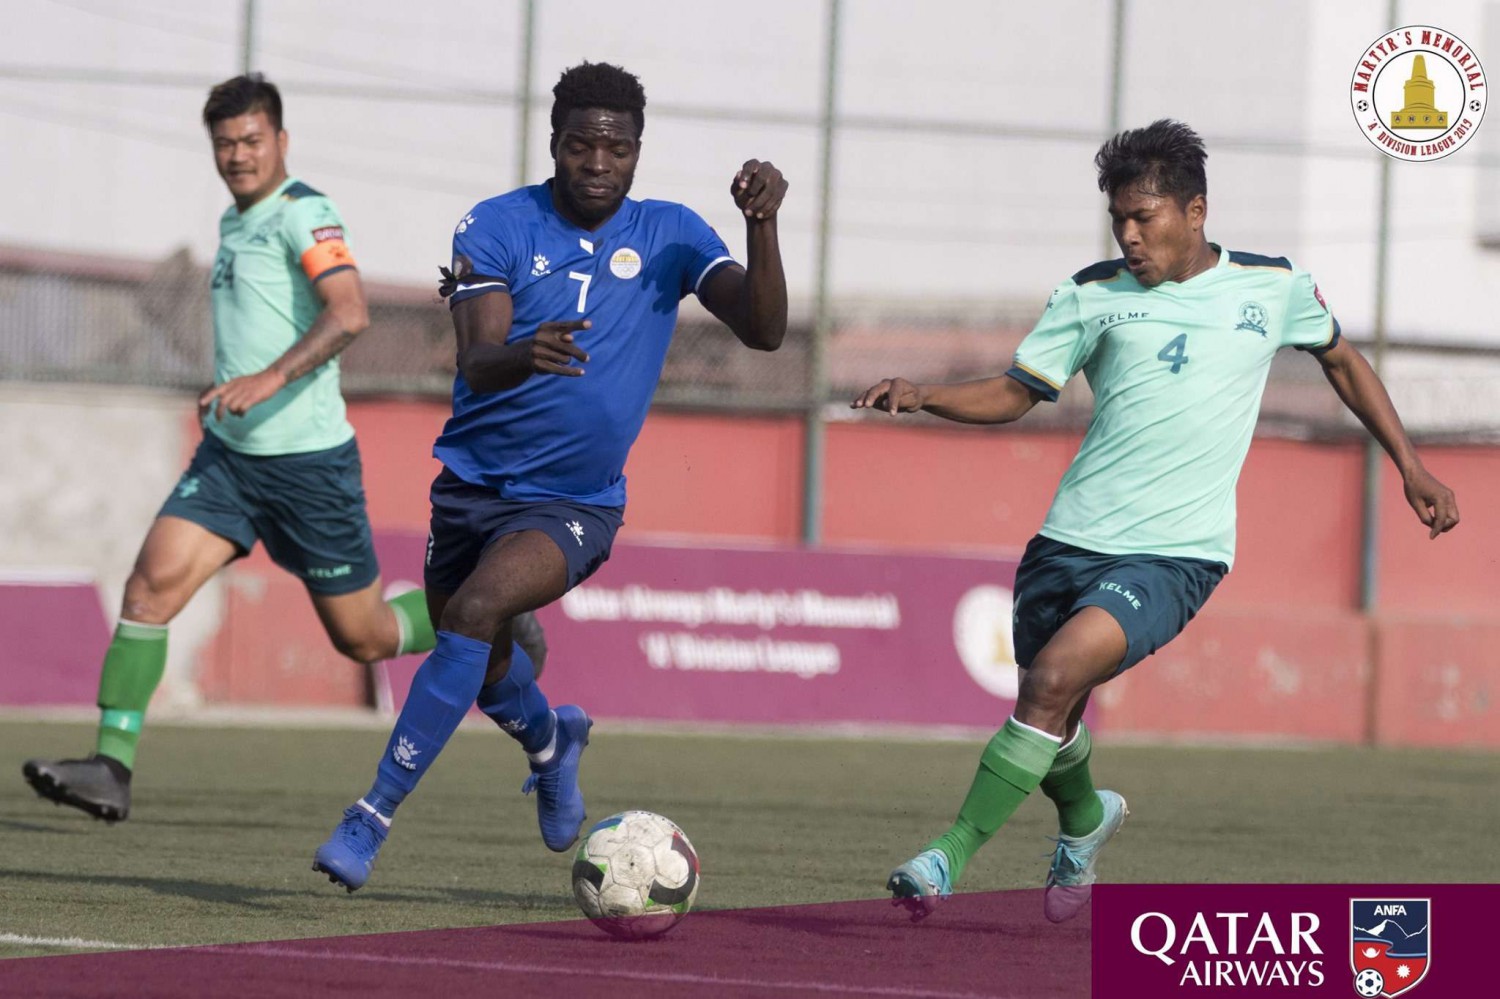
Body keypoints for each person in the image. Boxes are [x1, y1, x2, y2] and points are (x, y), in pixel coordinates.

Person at [855, 120, 1460, 924]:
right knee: (1051, 707)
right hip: (1066, 540)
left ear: (1195, 211)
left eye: (1144, 217)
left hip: (1175, 555)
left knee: (1052, 680)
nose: (1129, 236)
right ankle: (1084, 818)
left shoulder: (1273, 287)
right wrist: (925, 394)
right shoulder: (1090, 295)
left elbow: (1343, 360)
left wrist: (1410, 464)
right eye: (1119, 220)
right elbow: (1016, 391)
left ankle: (946, 856)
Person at [311, 61, 788, 891]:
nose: (598, 164)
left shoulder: (673, 234)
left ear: (638, 151)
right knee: (487, 662)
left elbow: (766, 330)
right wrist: (522, 353)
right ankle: (551, 741)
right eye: (580, 146)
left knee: (475, 611)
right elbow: (476, 358)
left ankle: (371, 814)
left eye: (617, 149)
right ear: (555, 143)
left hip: (575, 503)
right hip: (471, 489)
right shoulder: (497, 224)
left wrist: (763, 226)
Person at [21, 74, 444, 822]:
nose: (239, 155)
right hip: (228, 461)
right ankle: (110, 767)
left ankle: (476, 609)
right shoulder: (233, 220)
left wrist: (268, 377)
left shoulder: (304, 212)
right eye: (225, 144)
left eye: (252, 140)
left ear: (281, 140)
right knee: (148, 590)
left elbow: (350, 312)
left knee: (365, 636)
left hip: (308, 466)